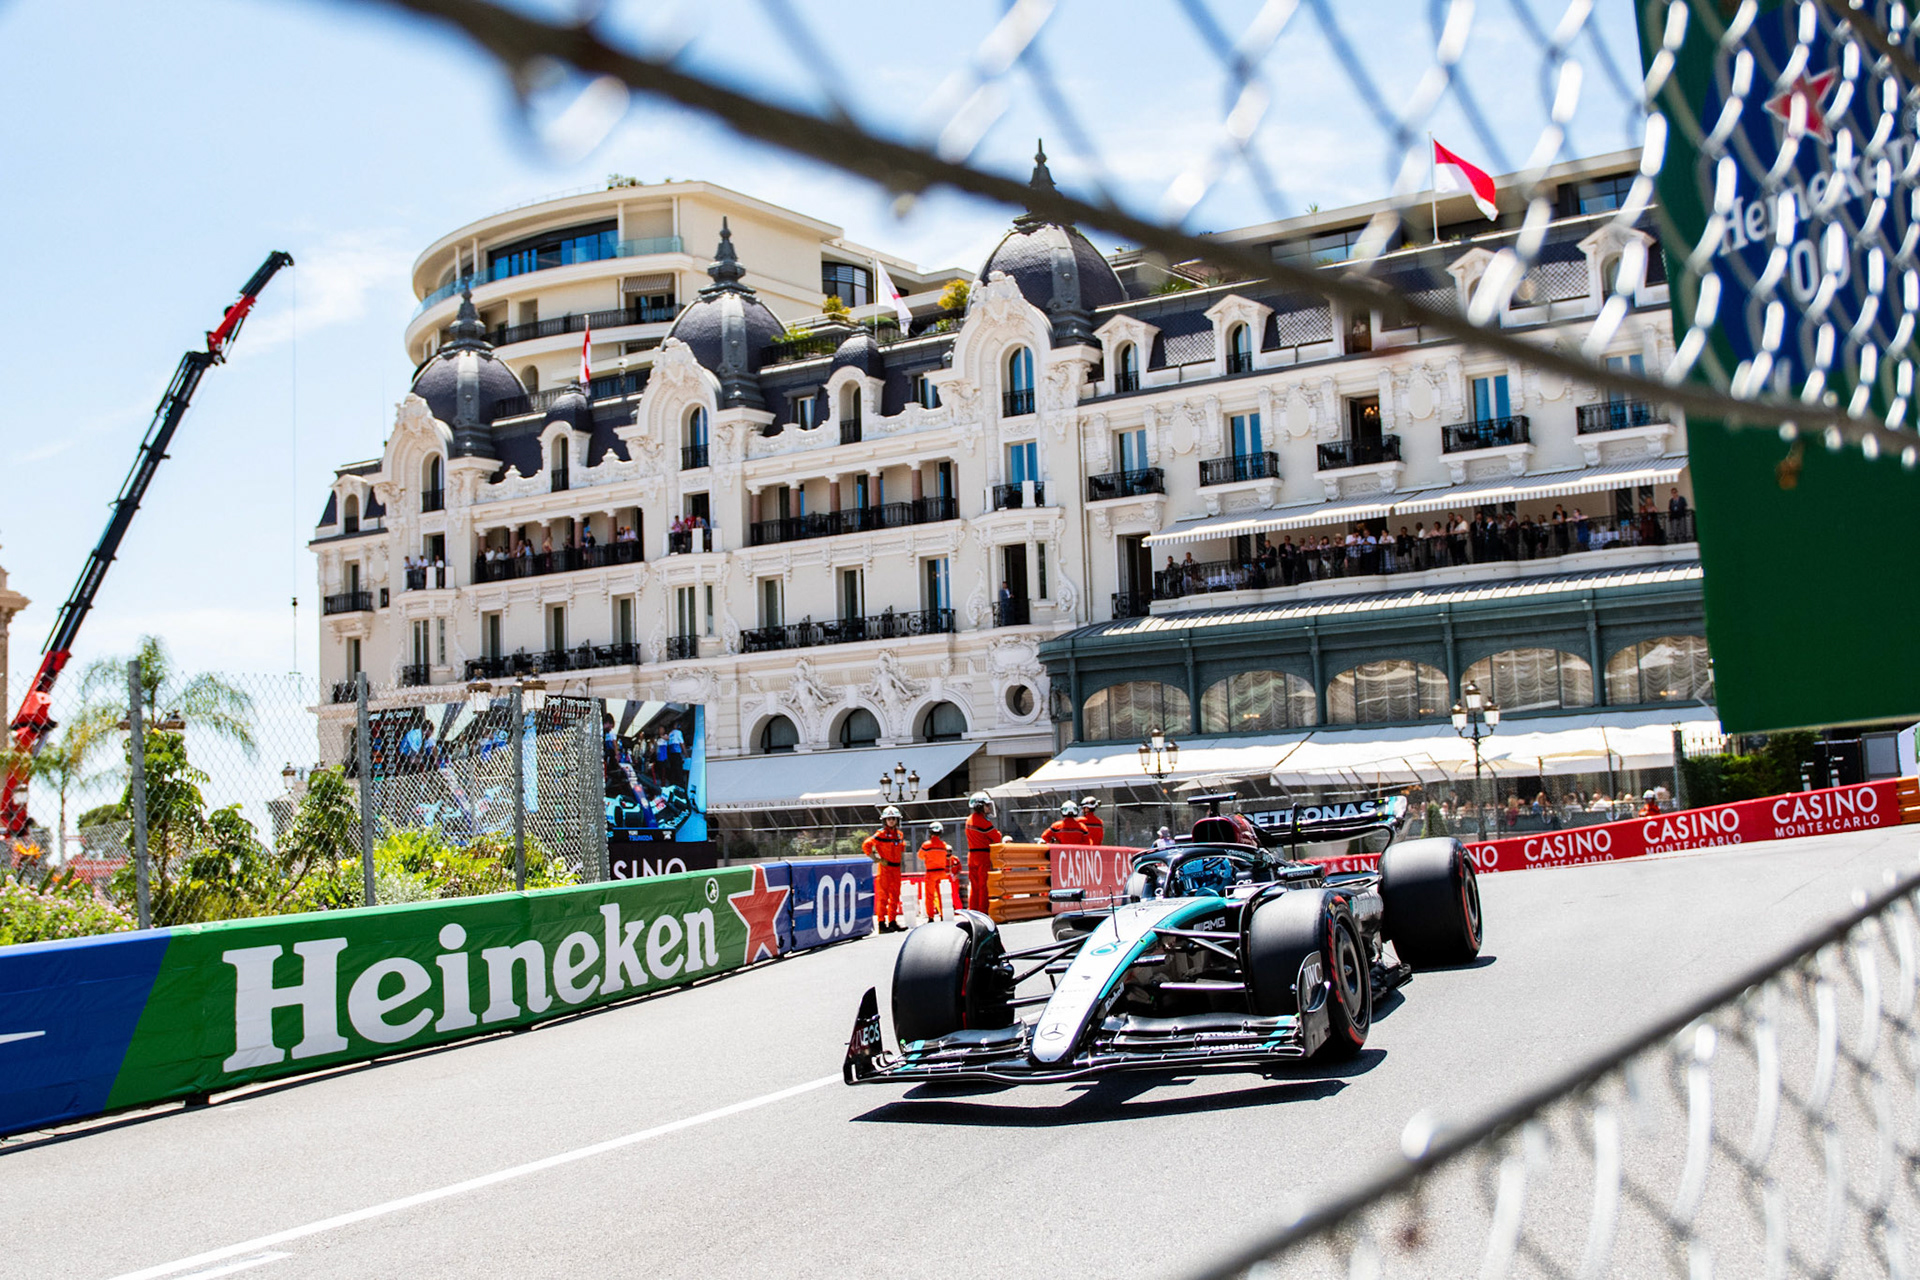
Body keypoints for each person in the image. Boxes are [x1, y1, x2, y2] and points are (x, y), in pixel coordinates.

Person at [865, 806, 908, 932]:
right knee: (883, 897)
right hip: (885, 868)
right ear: (884, 821)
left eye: (893, 819)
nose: (891, 821)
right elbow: (866, 845)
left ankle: (892, 921)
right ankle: (881, 923)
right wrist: (876, 859)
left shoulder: (899, 835)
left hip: (896, 869)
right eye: (888, 819)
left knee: (895, 896)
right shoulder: (881, 834)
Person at [964, 792, 1001, 914]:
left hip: (972, 855)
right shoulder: (983, 821)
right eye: (987, 805)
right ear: (980, 806)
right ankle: (983, 911)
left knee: (974, 886)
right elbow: (996, 837)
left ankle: (973, 911)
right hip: (983, 855)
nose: (989, 808)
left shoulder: (969, 820)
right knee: (983, 885)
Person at [918, 821, 953, 922]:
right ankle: (943, 915)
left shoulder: (926, 845)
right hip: (942, 873)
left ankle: (931, 917)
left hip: (931, 872)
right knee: (942, 895)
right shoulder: (944, 845)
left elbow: (920, 856)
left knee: (930, 896)